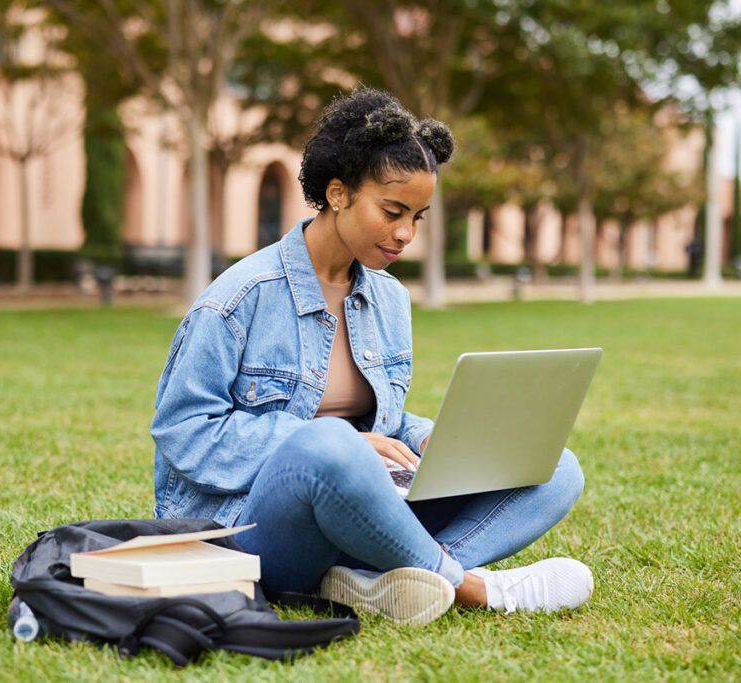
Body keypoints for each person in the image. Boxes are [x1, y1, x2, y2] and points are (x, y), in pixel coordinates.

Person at [150, 88, 593, 624]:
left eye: (418, 217)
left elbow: (373, 417)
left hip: (362, 510)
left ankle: (384, 580)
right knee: (330, 444)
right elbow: (184, 429)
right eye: (392, 211)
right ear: (337, 193)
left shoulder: (389, 298)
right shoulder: (238, 298)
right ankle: (468, 586)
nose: (405, 233)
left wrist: (427, 438)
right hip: (247, 531)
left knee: (555, 468)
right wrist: (344, 445)